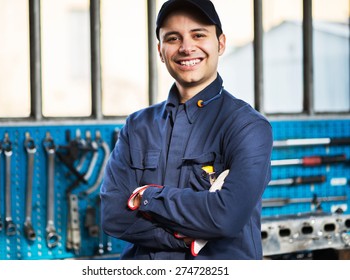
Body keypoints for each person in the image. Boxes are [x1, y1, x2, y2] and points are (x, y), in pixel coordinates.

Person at [100, 0, 273, 260]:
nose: (186, 47)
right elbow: (113, 215)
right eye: (173, 38)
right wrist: (188, 239)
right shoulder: (137, 126)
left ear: (221, 43)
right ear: (160, 50)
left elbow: (226, 217)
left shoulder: (247, 126)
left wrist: (148, 197)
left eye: (198, 35)